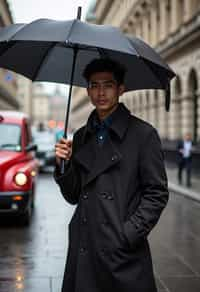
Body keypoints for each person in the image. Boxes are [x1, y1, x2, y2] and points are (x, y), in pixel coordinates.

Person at [54, 58, 169, 292]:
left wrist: (128, 234)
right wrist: (63, 165)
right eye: (94, 85)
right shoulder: (80, 136)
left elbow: (156, 193)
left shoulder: (143, 135)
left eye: (108, 84)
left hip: (122, 252)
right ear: (87, 91)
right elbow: (73, 195)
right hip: (84, 246)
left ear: (121, 89)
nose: (101, 92)